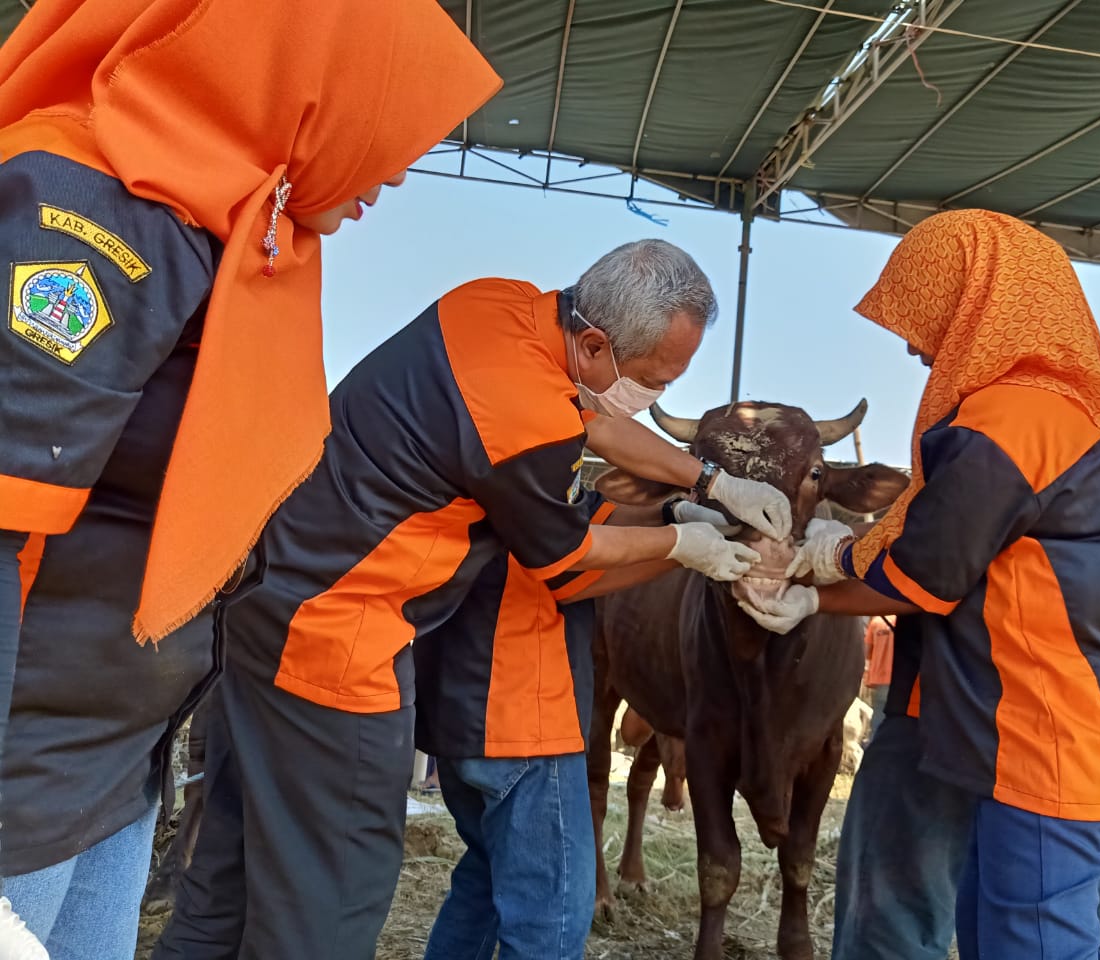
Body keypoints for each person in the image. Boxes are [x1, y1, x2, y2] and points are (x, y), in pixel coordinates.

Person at [0, 1, 500, 956]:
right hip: (22, 776)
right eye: (387, 124)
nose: (393, 170)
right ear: (311, 83)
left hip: (106, 758)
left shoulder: (223, 232)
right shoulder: (92, 208)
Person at [154, 239, 789, 960]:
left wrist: (709, 483)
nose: (655, 400)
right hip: (340, 647)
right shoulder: (526, 422)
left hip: (267, 608)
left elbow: (594, 420)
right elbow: (566, 561)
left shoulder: (494, 305)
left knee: (227, 873)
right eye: (650, 380)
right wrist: (679, 547)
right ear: (591, 345)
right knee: (332, 897)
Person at [740, 210, 1100, 960]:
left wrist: (824, 563)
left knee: (1033, 935)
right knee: (1006, 915)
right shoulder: (1037, 412)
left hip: (1044, 730)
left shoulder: (1019, 419)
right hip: (978, 711)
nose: (912, 342)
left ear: (978, 301)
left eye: (924, 314)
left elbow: (928, 567)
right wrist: (814, 589)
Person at [415, 487, 685, 960]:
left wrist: (668, 510)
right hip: (522, 712)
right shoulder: (537, 431)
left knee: (487, 874)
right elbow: (564, 566)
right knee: (551, 916)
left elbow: (577, 510)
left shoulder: (464, 426)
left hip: (457, 706)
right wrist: (680, 547)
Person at [832, 617, 1100, 960]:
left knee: (892, 911)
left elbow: (938, 573)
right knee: (1067, 895)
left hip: (956, 705)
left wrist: (824, 582)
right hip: (1071, 716)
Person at [863, 614, 895, 735]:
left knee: (878, 718)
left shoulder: (875, 622)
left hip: (878, 679)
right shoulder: (901, 621)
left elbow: (867, 652)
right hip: (899, 679)